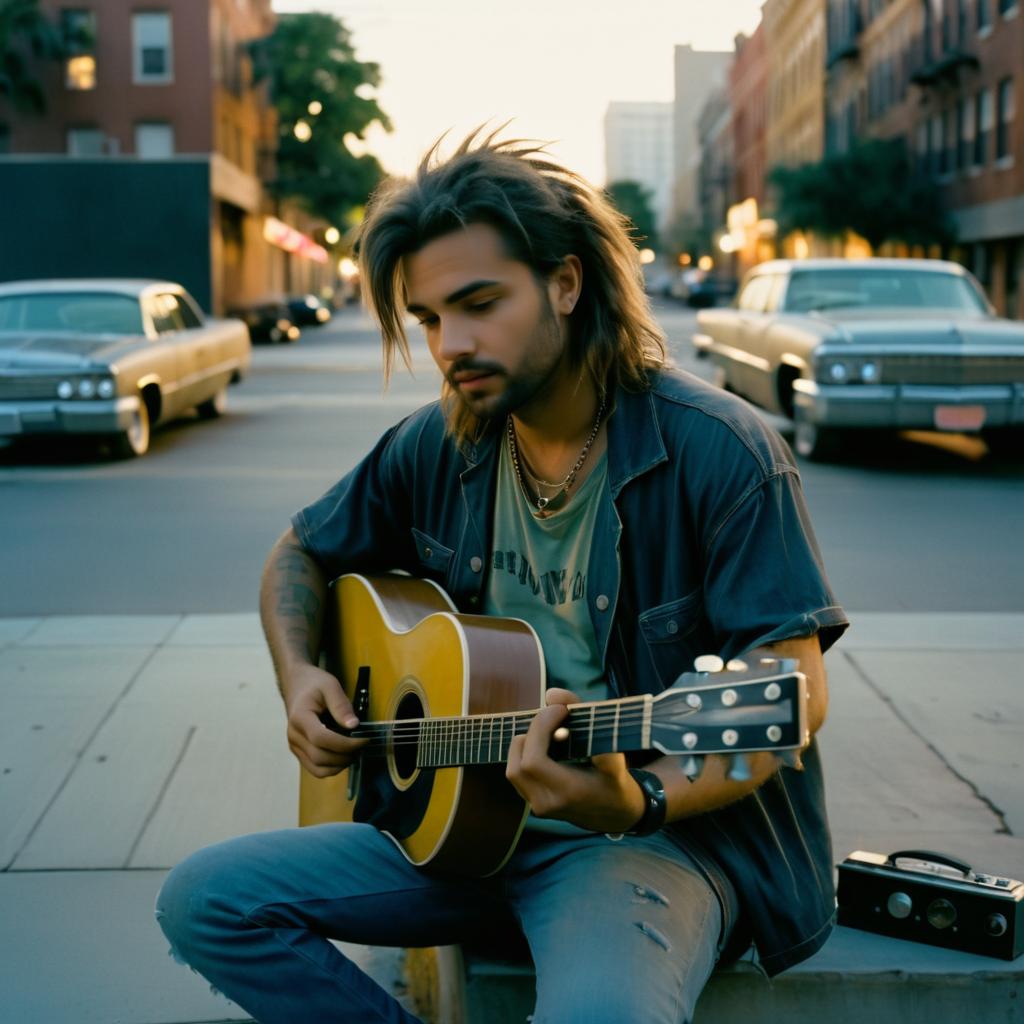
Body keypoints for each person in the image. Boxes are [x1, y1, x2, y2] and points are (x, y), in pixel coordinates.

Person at [156, 130, 848, 1024]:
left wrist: (634, 799)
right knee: (206, 902)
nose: (452, 344)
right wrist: (302, 679)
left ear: (565, 283)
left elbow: (789, 685)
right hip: (451, 832)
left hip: (643, 846)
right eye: (431, 320)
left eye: (480, 304)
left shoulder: (723, 451)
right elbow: (300, 551)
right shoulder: (443, 442)